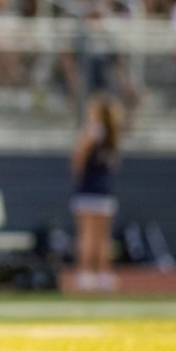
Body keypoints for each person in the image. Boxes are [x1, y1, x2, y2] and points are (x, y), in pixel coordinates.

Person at [70, 95, 123, 292]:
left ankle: (86, 274)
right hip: (105, 190)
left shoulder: (92, 132)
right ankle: (103, 274)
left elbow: (78, 160)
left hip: (88, 190)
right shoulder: (112, 134)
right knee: (103, 237)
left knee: (87, 235)